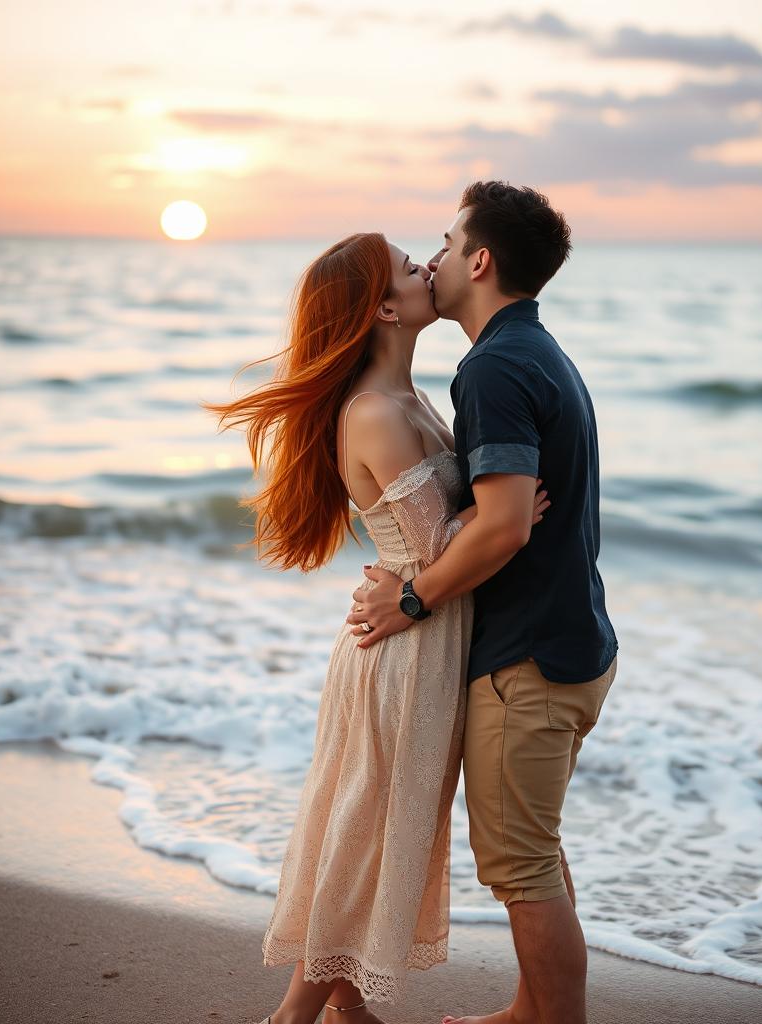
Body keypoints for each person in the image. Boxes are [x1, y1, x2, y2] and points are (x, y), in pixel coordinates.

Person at [202, 231, 550, 1024]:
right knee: (365, 830)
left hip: (420, 639)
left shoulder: (413, 398)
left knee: (383, 823)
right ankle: (295, 1015)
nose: (428, 267)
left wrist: (490, 513)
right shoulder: (372, 412)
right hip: (401, 652)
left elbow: (433, 548)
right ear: (385, 308)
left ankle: (348, 1011)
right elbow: (435, 549)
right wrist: (502, 514)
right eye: (406, 266)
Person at [347, 181, 620, 1024]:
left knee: (522, 867)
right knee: (534, 849)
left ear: (480, 259)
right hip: (574, 645)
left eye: (445, 238)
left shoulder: (494, 367)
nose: (432, 256)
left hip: (527, 663)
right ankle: (528, 1013)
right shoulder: (539, 353)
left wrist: (412, 601)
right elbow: (503, 515)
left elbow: (502, 527)